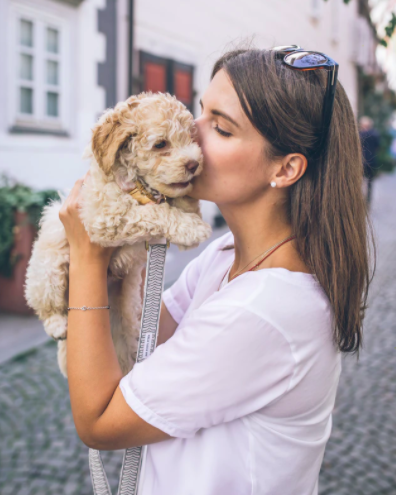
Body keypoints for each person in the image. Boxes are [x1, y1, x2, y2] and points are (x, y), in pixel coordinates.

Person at [59, 47, 374, 494]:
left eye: (221, 128)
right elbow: (145, 345)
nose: (193, 132)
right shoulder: (228, 253)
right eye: (201, 112)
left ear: (285, 169)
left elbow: (99, 422)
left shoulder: (265, 310)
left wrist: (89, 254)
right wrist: (123, 235)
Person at [358, 116, 380, 207]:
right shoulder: (375, 134)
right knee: (370, 182)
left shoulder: (359, 134)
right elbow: (378, 146)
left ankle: (360, 199)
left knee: (359, 181)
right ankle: (368, 200)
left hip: (361, 161)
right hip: (372, 160)